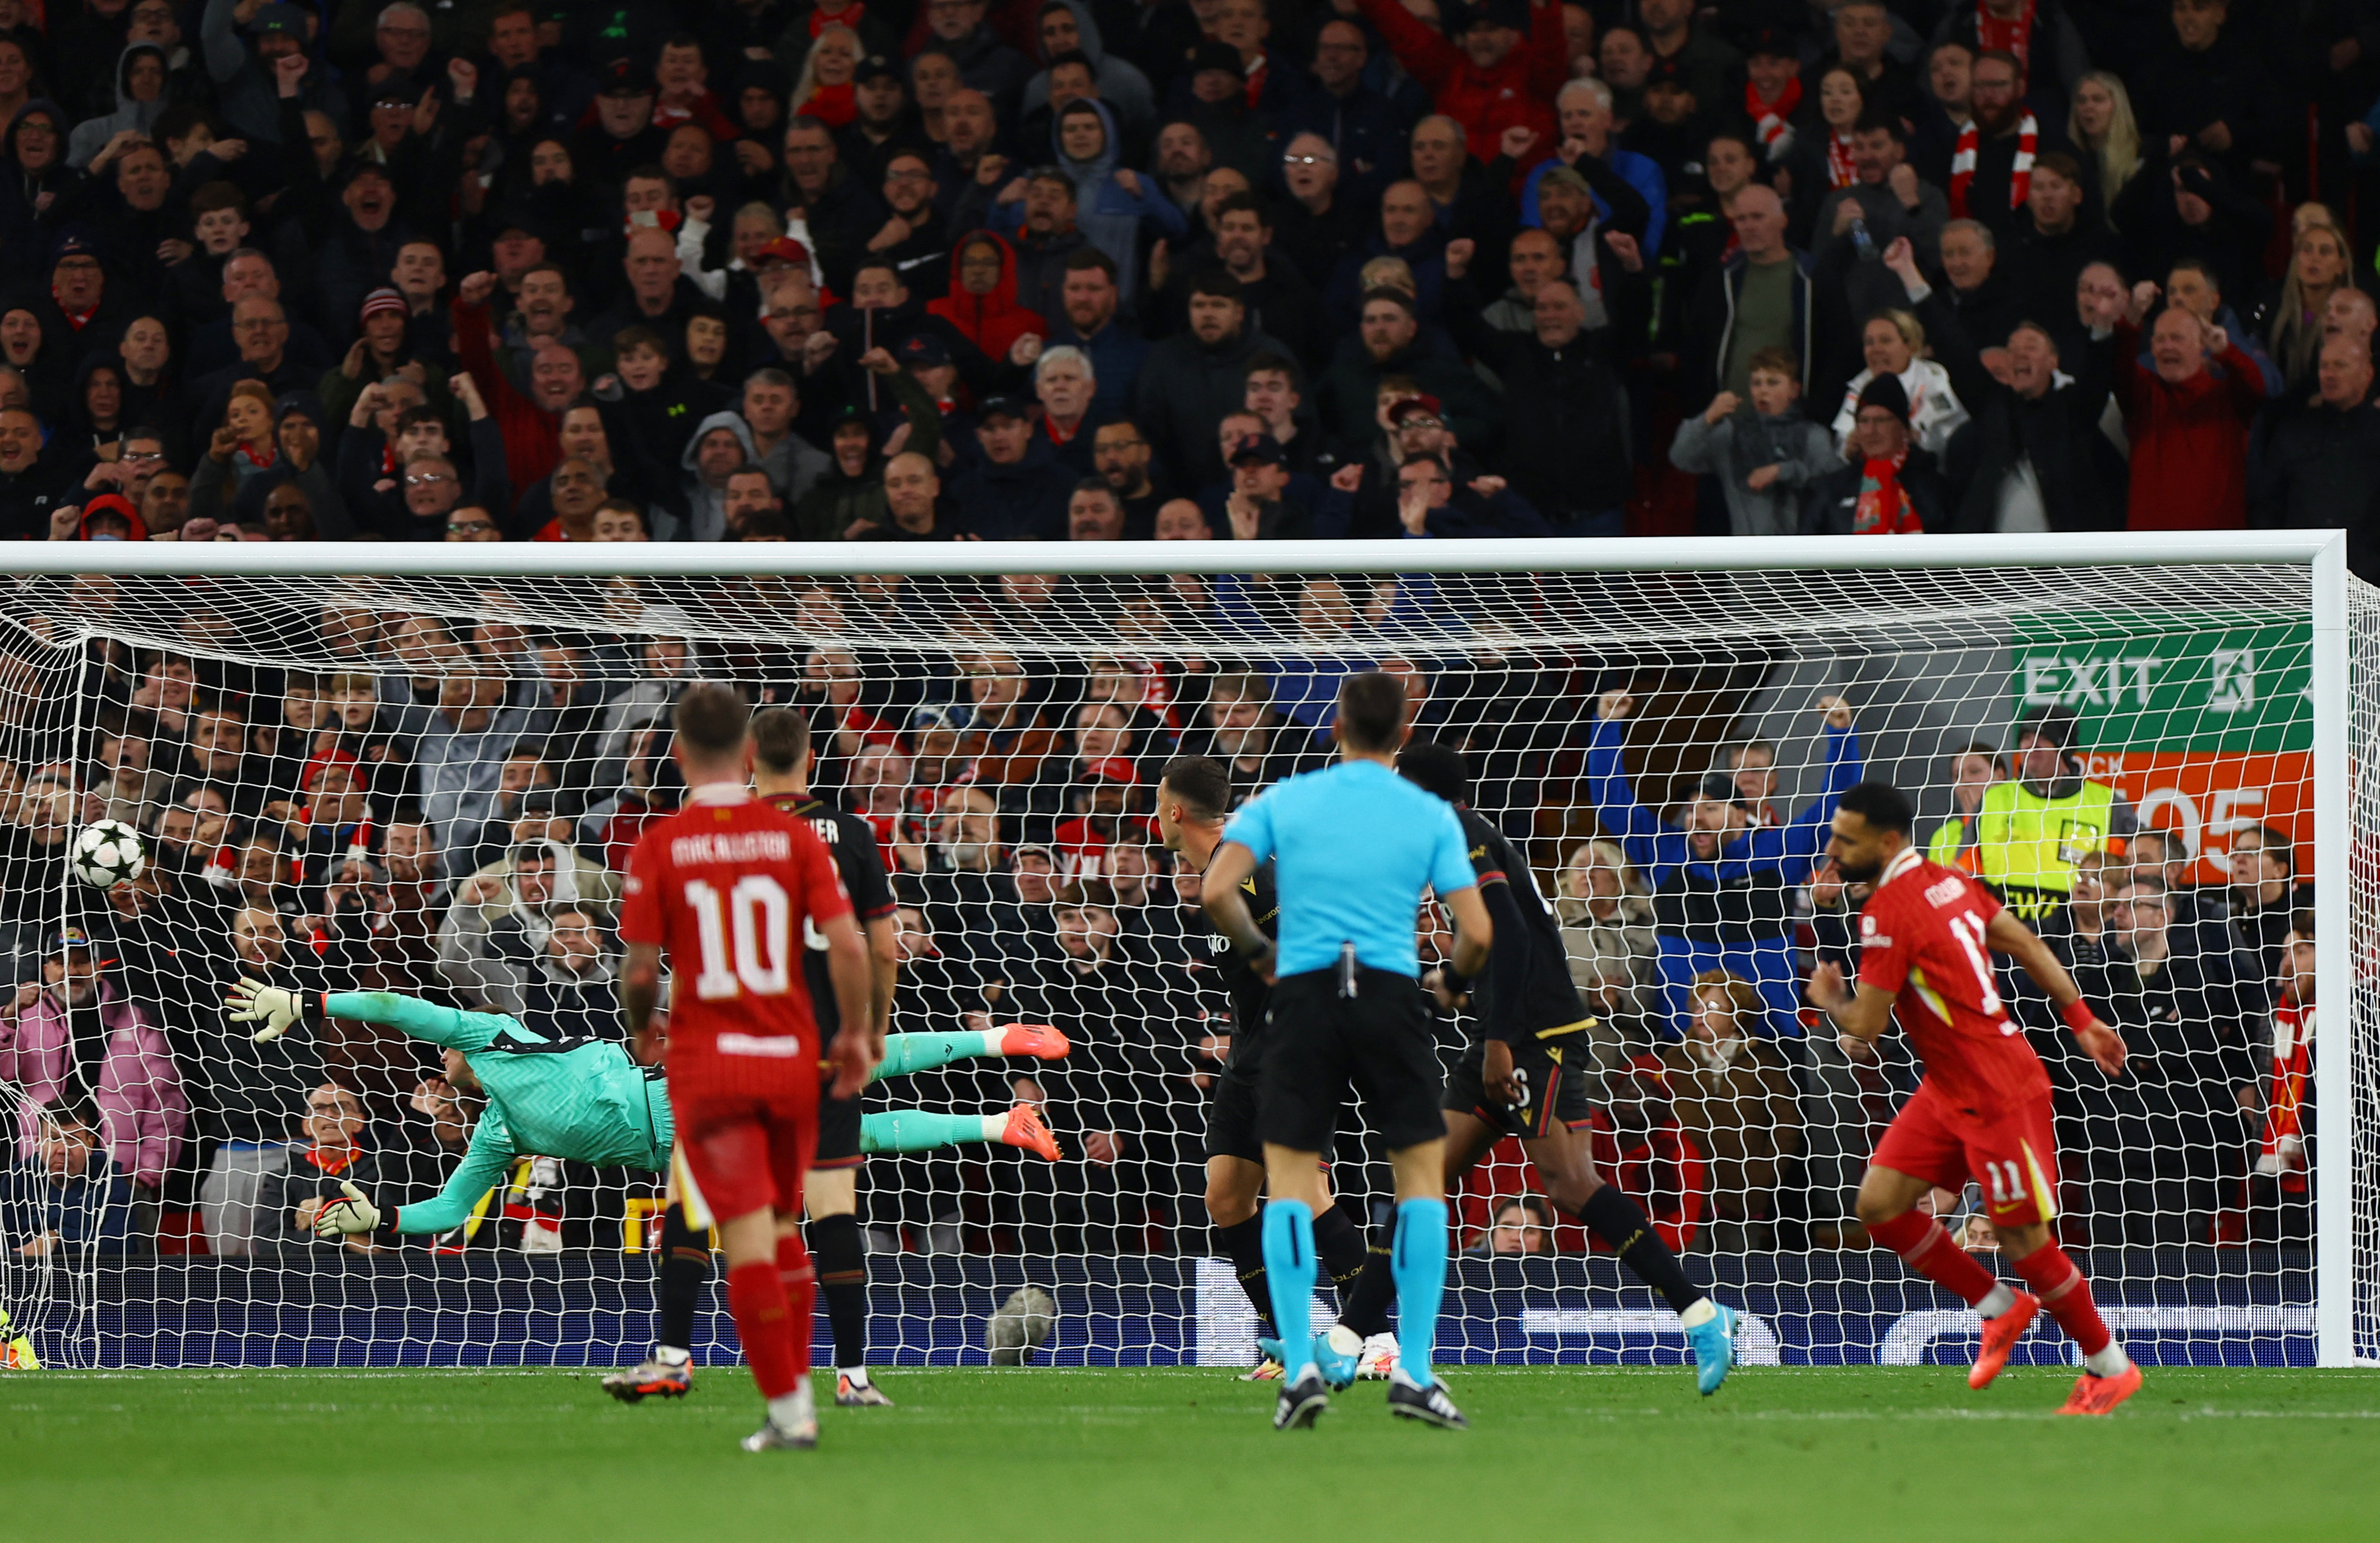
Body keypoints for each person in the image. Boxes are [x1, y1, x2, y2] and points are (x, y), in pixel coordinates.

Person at [1371, 740, 1737, 1391]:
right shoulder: (1451, 835)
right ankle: (1352, 1335)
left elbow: (1508, 934)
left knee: (1568, 1185)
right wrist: (1456, 982)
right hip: (1510, 1028)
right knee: (1423, 1181)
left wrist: (1499, 1043)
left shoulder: (1462, 834)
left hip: (1533, 1038)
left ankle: (1702, 1312)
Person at [1201, 670, 1490, 1430]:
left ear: (1335, 726)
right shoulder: (1424, 811)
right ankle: (1416, 1373)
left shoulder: (1288, 799)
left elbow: (1215, 890)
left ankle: (1299, 1369)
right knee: (1420, 1181)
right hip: (1389, 993)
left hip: (1303, 998)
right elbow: (1479, 930)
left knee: (1290, 1181)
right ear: (1402, 733)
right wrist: (1451, 983)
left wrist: (1260, 951)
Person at [1808, 780, 2143, 1416]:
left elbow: (1866, 1028)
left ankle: (2110, 1366)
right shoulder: (1950, 879)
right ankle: (1999, 1307)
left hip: (1995, 1088)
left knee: (2025, 1244)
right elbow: (2026, 942)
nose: (1833, 848)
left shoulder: (1886, 911)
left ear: (1885, 841)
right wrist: (2081, 1019)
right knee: (1880, 1205)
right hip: (1948, 1083)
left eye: (1844, 839)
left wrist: (1830, 999)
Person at [614, 683, 874, 1452]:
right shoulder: (795, 838)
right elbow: (852, 943)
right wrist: (857, 1034)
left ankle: (790, 1412)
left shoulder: (660, 843)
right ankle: (800, 1393)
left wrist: (643, 1033)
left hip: (713, 1065)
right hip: (794, 1058)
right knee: (778, 1225)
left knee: (749, 1237)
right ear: (750, 754)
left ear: (679, 754)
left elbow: (636, 973)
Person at [1153, 753, 1374, 1382]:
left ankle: (1376, 1336)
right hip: (1248, 1053)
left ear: (1175, 812)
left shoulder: (1249, 874)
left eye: (1158, 803)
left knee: (1304, 1195)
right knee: (1226, 1198)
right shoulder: (1218, 875)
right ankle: (1291, 1345)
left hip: (1292, 1051)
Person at [1587, 690, 1863, 1042]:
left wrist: (1841, 736)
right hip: (1684, 1044)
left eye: (1711, 809)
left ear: (1738, 814)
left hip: (1768, 1044)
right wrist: (1607, 726)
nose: (1696, 818)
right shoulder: (1668, 850)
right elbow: (1612, 803)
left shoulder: (1774, 851)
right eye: (1691, 810)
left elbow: (1834, 807)